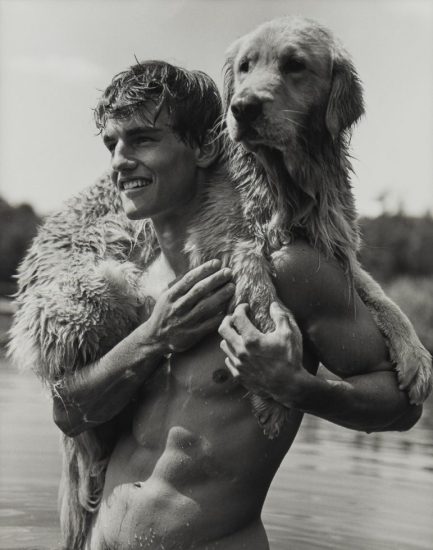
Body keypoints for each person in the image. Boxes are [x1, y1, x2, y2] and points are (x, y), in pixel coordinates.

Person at [45, 61, 421, 549]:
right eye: (111, 143)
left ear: (204, 146)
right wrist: (152, 338)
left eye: (142, 139)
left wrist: (299, 388)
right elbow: (68, 412)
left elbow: (401, 405)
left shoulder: (288, 270)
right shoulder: (131, 282)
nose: (119, 160)